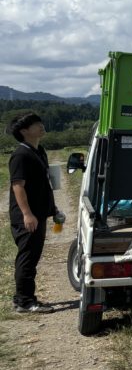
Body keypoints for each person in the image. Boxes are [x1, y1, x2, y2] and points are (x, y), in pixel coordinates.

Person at [7, 112, 57, 313]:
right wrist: (27, 214)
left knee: (33, 256)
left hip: (39, 213)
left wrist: (53, 209)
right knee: (27, 257)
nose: (41, 126)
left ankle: (26, 298)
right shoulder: (20, 155)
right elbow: (17, 186)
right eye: (36, 124)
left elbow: (45, 184)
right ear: (24, 131)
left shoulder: (39, 150)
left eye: (41, 123)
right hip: (27, 217)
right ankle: (24, 302)